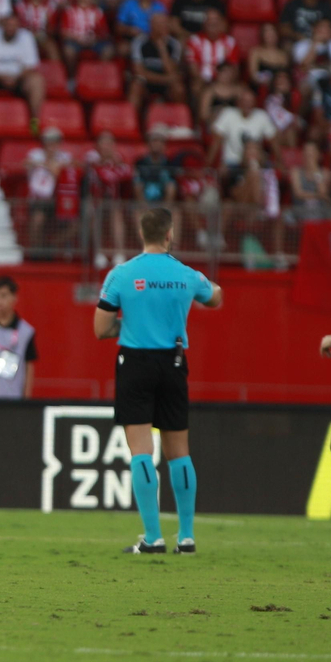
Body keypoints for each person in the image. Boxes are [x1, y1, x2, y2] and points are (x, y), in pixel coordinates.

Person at [93, 208, 225, 555]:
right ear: (170, 235)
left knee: (141, 451)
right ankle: (186, 536)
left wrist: (131, 324)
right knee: (179, 453)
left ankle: (152, 538)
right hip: (174, 362)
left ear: (141, 233)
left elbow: (100, 328)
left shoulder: (122, 274)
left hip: (135, 363)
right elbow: (216, 297)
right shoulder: (186, 275)